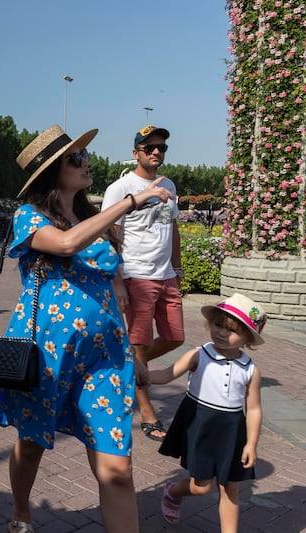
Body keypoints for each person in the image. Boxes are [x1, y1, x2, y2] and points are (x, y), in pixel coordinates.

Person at [0, 124, 173, 533]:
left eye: (84, 156)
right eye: (76, 158)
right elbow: (66, 245)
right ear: (52, 173)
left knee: (117, 468)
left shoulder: (93, 218)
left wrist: (132, 355)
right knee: (32, 443)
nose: (85, 162)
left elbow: (114, 291)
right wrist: (130, 201)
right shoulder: (28, 216)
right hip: (47, 353)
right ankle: (21, 512)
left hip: (104, 356)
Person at [149, 293, 264, 530]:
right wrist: (140, 375)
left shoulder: (250, 369)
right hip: (200, 423)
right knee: (202, 487)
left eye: (231, 330)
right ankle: (174, 491)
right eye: (218, 325)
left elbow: (253, 409)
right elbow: (166, 374)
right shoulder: (199, 354)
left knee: (230, 486)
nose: (221, 332)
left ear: (246, 338)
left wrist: (251, 444)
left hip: (231, 431)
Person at [101, 125, 184, 442]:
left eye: (161, 148)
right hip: (136, 273)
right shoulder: (121, 187)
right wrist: (118, 278)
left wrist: (177, 267)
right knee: (140, 342)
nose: (156, 152)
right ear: (135, 152)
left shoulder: (170, 185)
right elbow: (107, 234)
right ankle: (148, 411)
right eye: (149, 147)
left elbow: (171, 227)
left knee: (175, 336)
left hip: (166, 275)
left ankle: (128, 367)